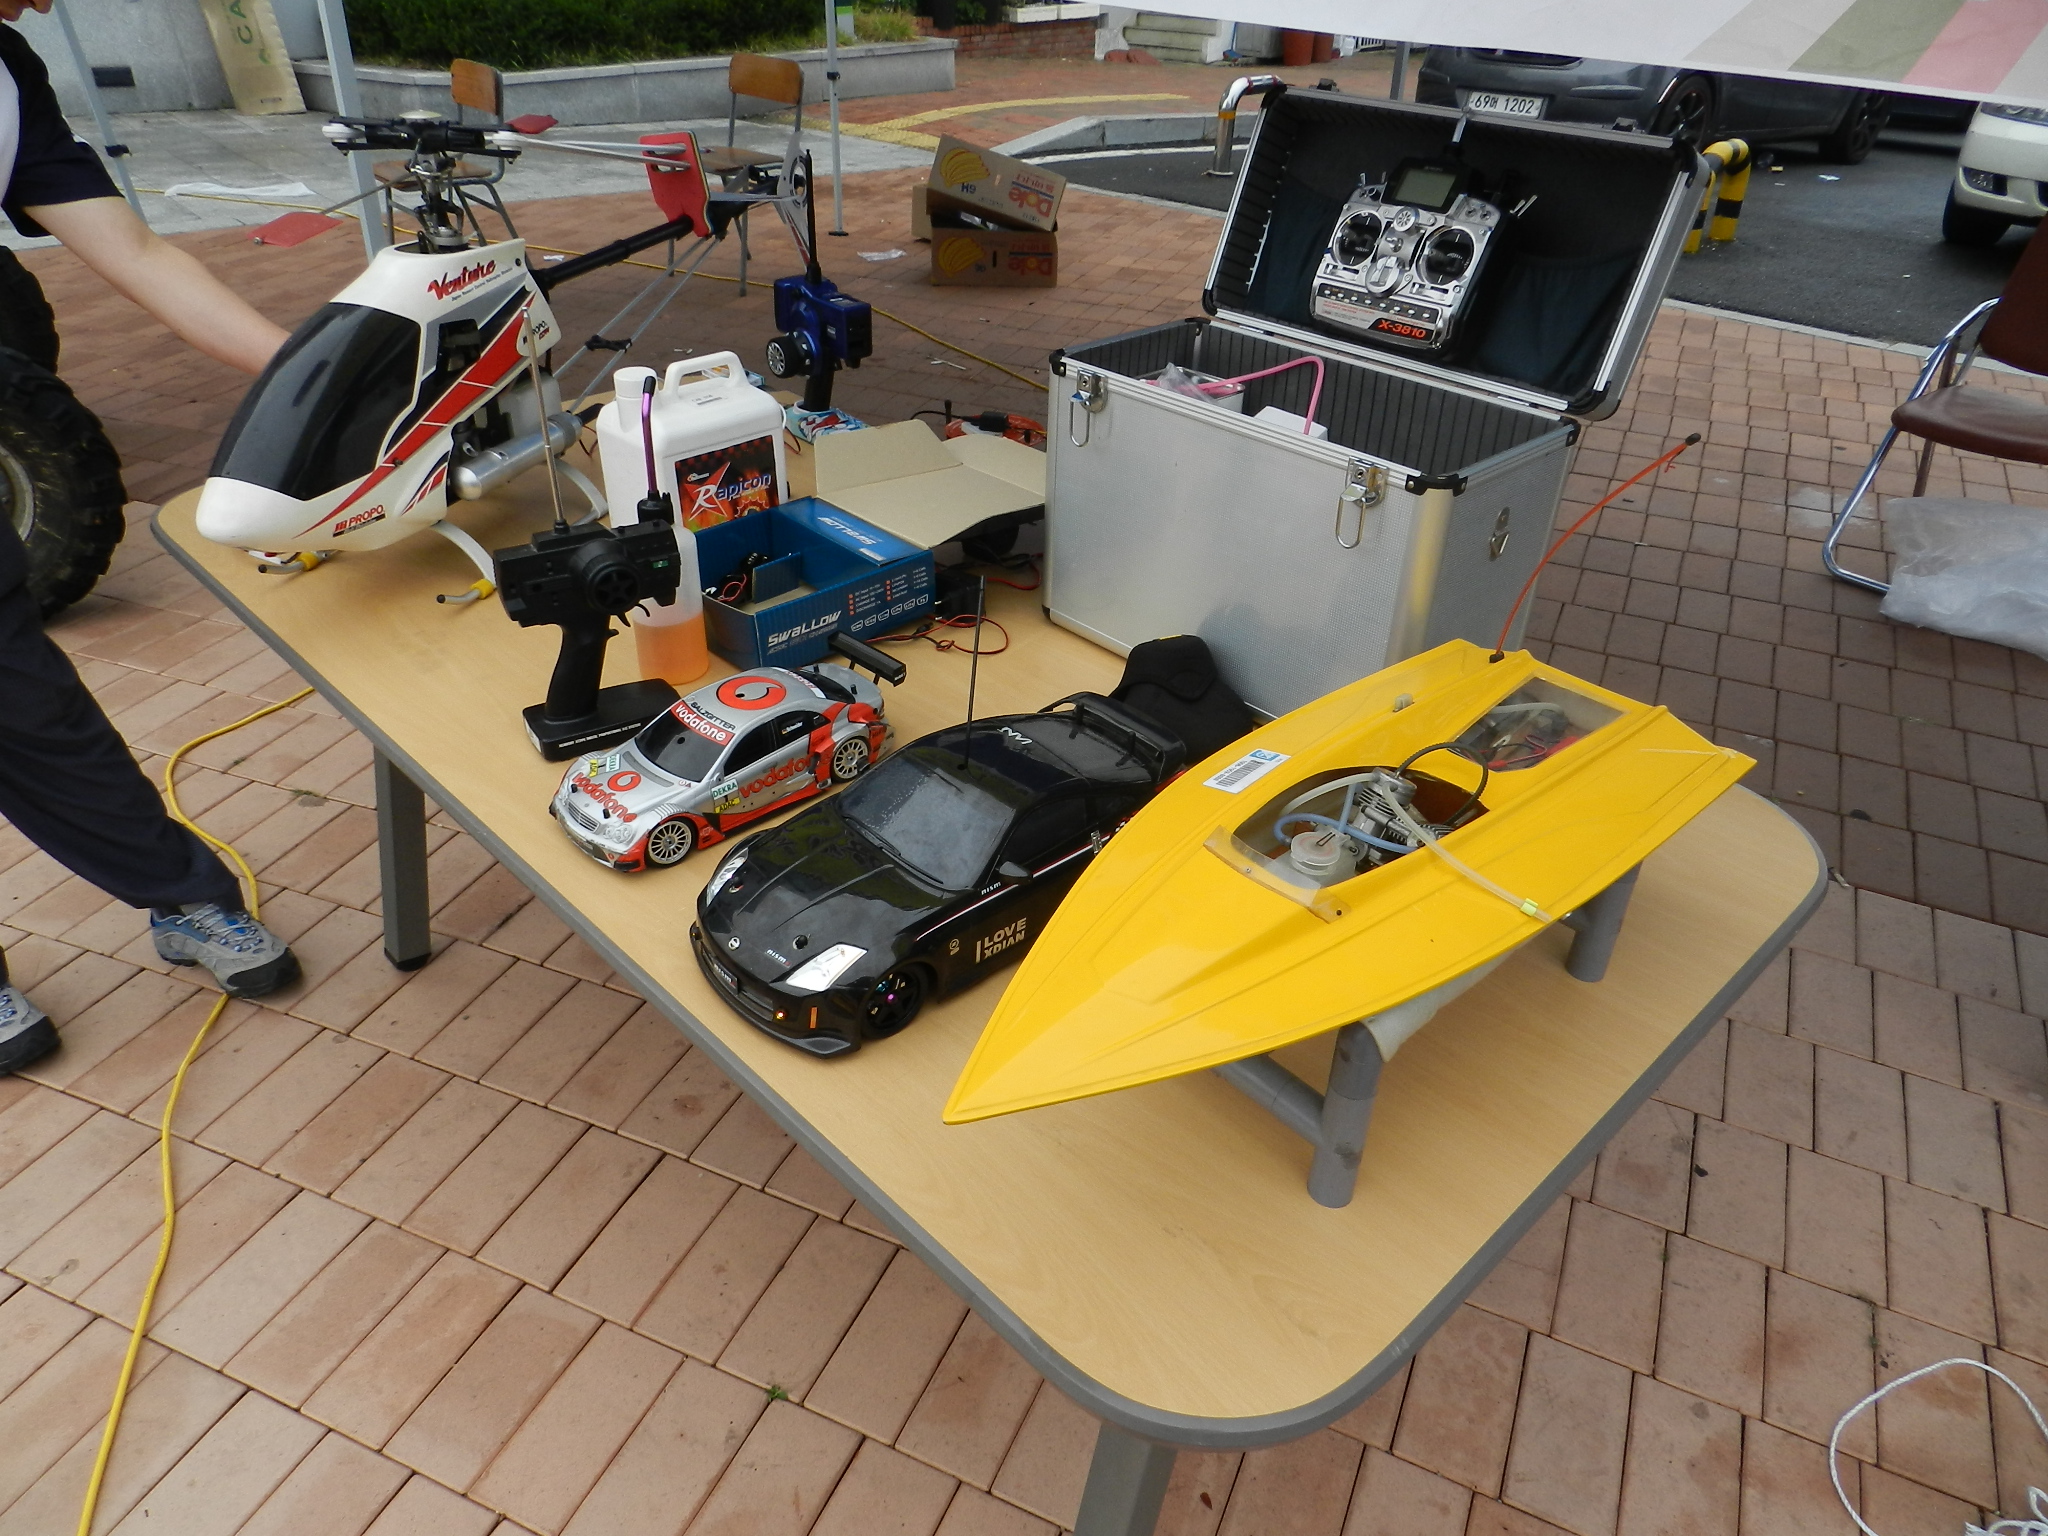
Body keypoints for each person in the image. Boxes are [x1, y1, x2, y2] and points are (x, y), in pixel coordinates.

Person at [0, 0, 301, 1075]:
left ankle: (182, 897)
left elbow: (130, 247)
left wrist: (310, 374)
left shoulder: (6, 69)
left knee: (32, 702)